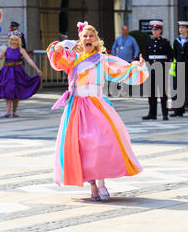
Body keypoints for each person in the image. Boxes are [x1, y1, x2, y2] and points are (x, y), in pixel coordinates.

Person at [46, 21, 148, 201]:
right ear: (80, 39)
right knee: (82, 147)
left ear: (96, 40)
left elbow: (122, 69)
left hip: (97, 106)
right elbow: (56, 57)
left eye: (91, 36)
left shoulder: (102, 59)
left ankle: (101, 182)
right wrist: (62, 45)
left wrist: (138, 66)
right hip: (76, 107)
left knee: (100, 144)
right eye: (84, 36)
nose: (88, 38)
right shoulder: (73, 58)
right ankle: (92, 185)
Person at [0, 32, 42, 117]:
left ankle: (14, 112)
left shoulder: (21, 50)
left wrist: (37, 70)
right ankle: (7, 112)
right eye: (12, 40)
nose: (14, 42)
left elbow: (29, 60)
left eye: (15, 40)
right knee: (8, 90)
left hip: (18, 73)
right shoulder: (6, 49)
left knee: (16, 91)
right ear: (10, 40)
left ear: (18, 41)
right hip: (7, 72)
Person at [142, 20, 173, 121]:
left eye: (157, 30)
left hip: (161, 69)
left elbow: (170, 57)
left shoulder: (165, 42)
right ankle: (152, 113)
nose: (154, 31)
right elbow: (146, 56)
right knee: (151, 93)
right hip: (151, 70)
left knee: (162, 93)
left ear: (160, 31)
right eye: (153, 30)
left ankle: (165, 114)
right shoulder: (148, 42)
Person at [170, 21, 188, 117]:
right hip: (179, 66)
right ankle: (178, 110)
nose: (181, 29)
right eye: (180, 27)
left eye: (183, 28)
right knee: (178, 88)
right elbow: (175, 54)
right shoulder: (177, 41)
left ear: (187, 29)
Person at [111, 25, 140, 97]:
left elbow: (137, 48)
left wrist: (134, 57)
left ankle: (129, 92)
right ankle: (119, 91)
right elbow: (114, 48)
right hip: (120, 62)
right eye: (124, 30)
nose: (125, 31)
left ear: (128, 31)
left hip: (129, 61)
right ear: (121, 30)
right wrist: (114, 57)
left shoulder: (132, 39)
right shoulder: (118, 39)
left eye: (126, 30)